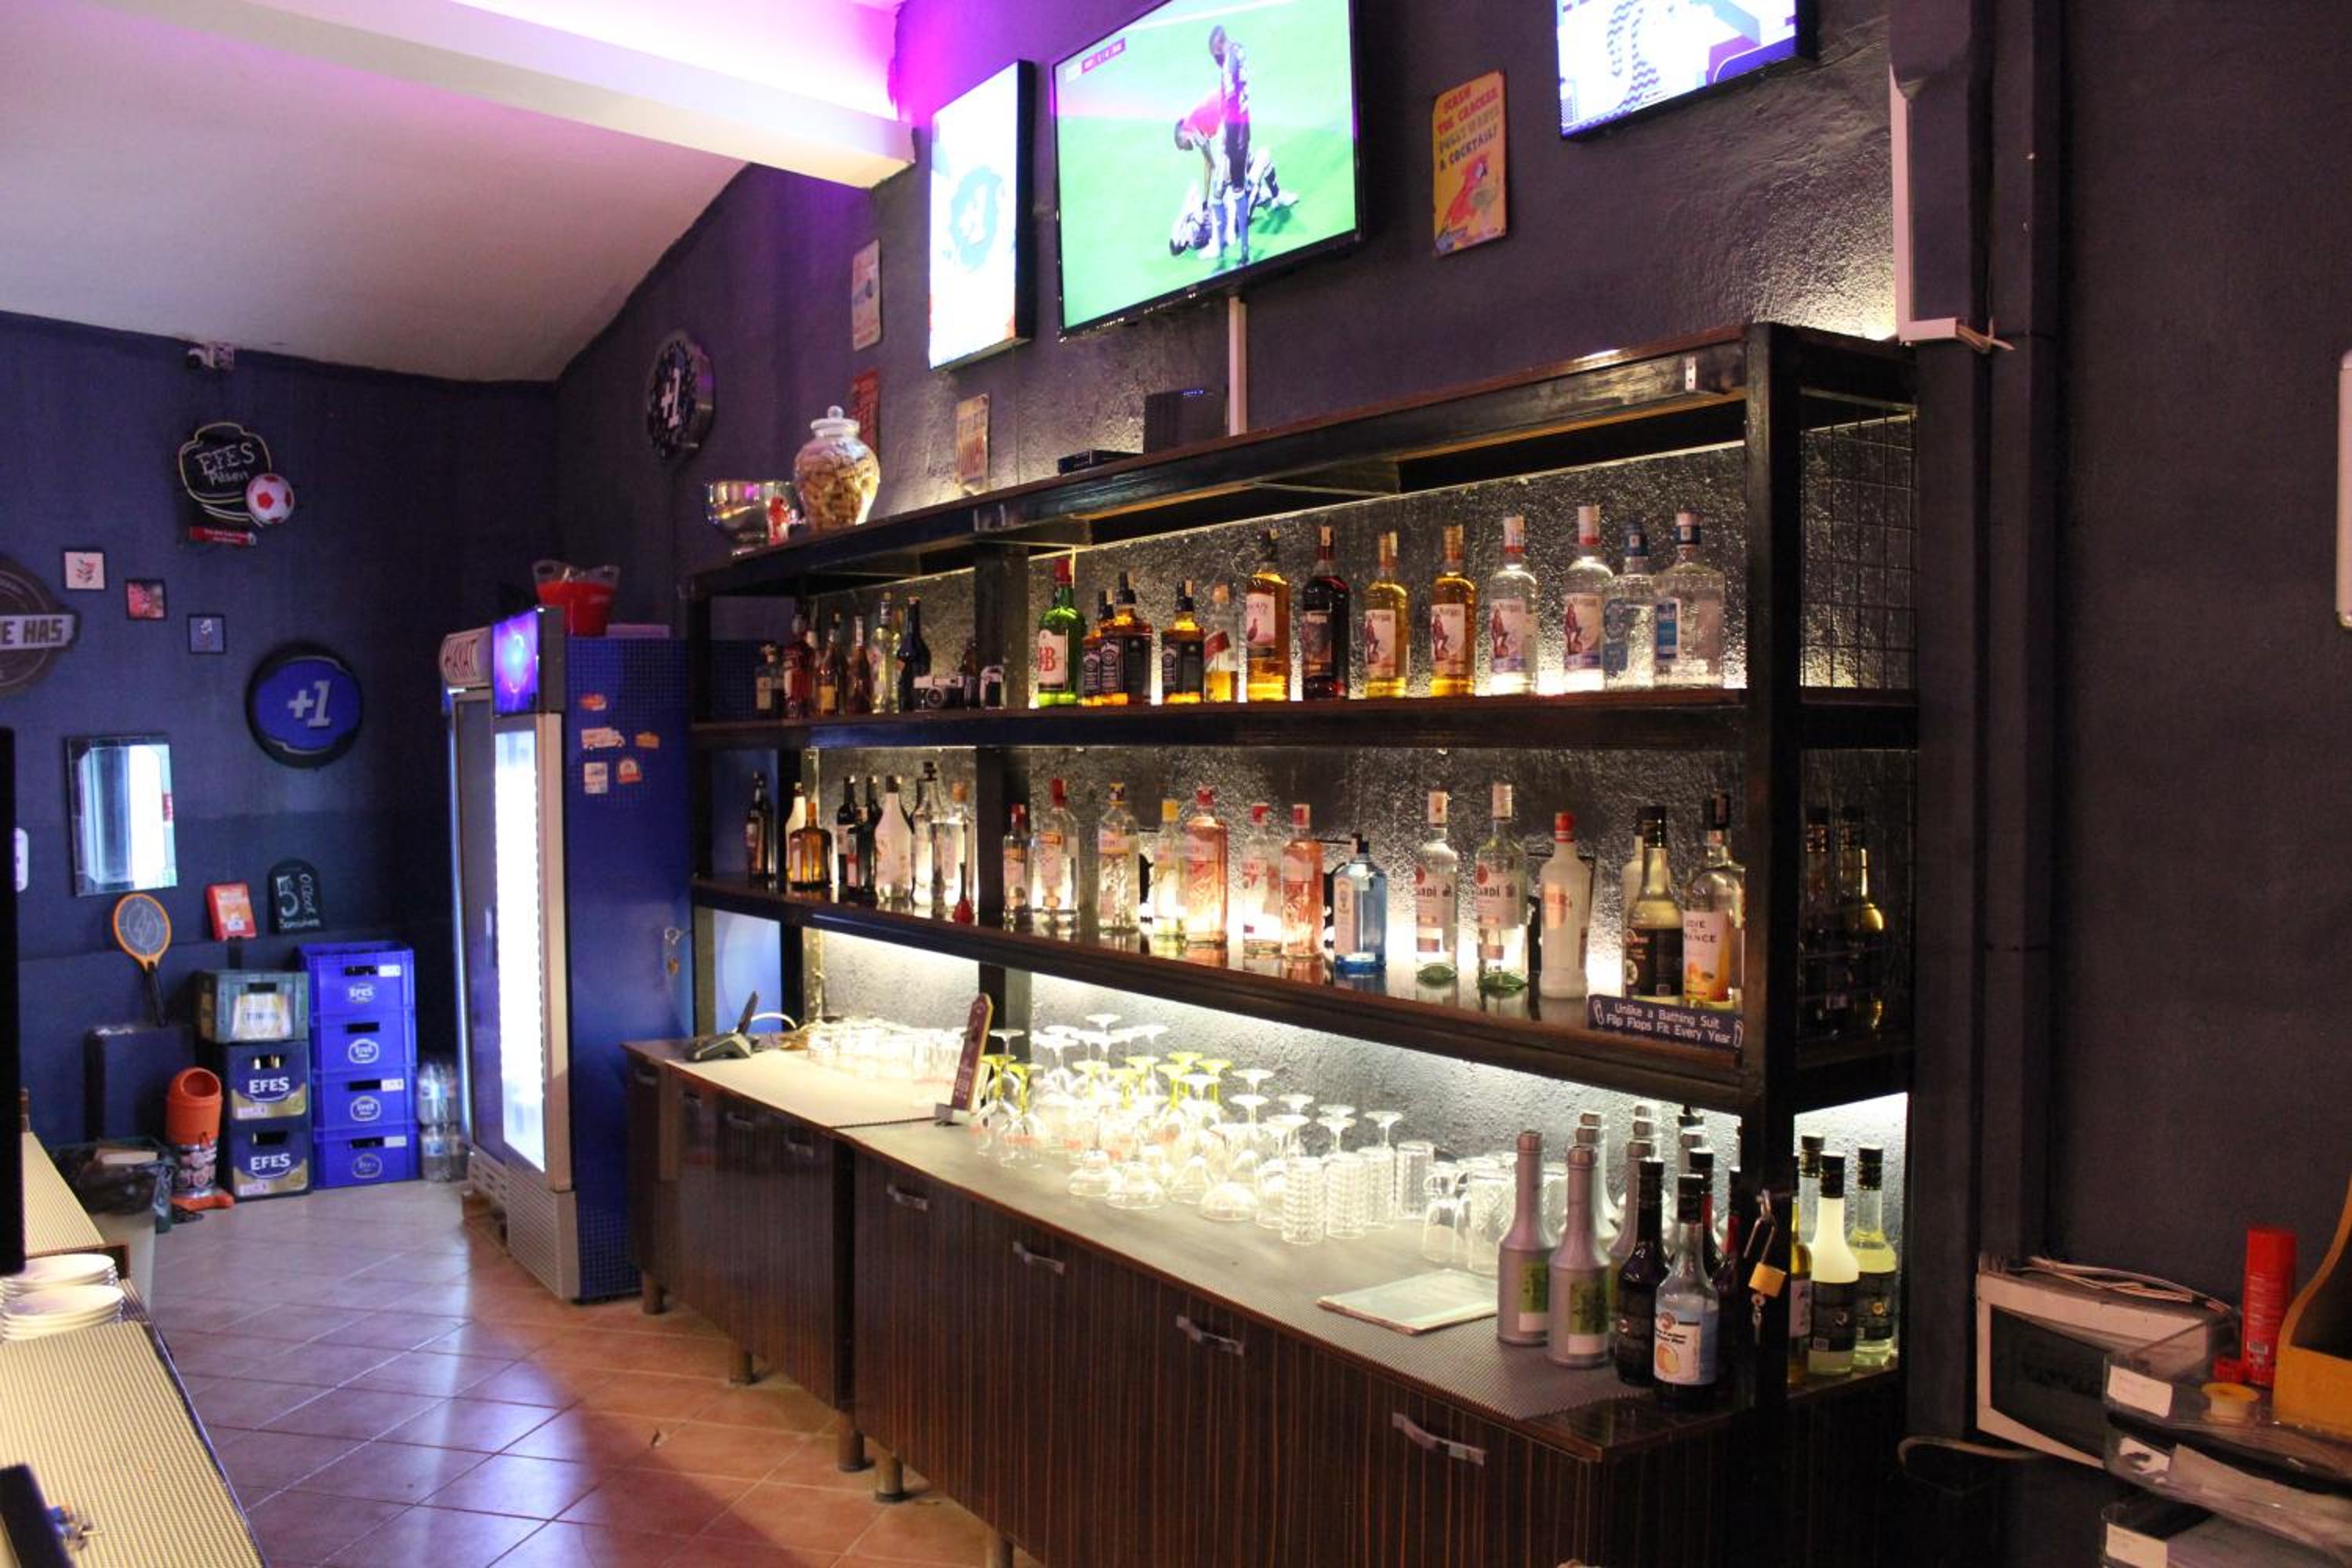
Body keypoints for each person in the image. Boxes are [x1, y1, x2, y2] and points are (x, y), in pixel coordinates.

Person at [1209, 25, 1252, 268]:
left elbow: (1231, 98)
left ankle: (1233, 249)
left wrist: (1225, 134)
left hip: (1234, 133)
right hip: (1246, 127)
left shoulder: (1228, 64)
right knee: (1237, 189)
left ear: (1218, 46)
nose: (1216, 60)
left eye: (1215, 55)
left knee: (1228, 191)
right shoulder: (1239, 50)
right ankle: (1241, 247)